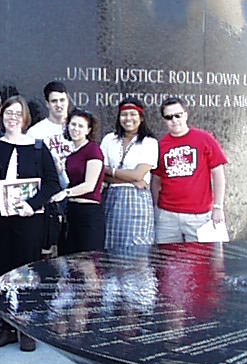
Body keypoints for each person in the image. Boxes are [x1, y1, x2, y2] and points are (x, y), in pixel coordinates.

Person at [0, 96, 60, 351]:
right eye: (8, 113)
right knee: (2, 272)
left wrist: (32, 203)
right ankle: (6, 327)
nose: (13, 118)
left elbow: (52, 183)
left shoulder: (38, 148)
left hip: (30, 220)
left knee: (27, 273)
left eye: (18, 113)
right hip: (1, 221)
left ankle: (27, 328)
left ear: (25, 118)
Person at [151, 97, 228, 243]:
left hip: (199, 216)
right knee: (166, 257)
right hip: (167, 217)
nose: (174, 120)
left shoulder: (204, 139)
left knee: (200, 257)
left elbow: (218, 174)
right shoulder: (160, 146)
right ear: (164, 120)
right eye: (169, 117)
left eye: (178, 115)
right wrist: (155, 208)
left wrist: (218, 207)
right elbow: (156, 180)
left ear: (185, 115)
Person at [100, 98, 158, 248]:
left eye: (133, 114)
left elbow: (138, 175)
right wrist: (131, 179)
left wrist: (112, 171)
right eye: (124, 114)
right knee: (111, 245)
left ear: (141, 118)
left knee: (137, 247)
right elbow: (101, 173)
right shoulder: (109, 139)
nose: (128, 118)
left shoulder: (149, 142)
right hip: (112, 197)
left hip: (137, 199)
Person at [27, 81, 74, 255]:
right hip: (50, 199)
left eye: (62, 100)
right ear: (47, 103)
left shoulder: (78, 126)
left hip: (75, 195)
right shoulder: (36, 132)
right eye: (54, 101)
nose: (59, 105)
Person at [52, 109, 105, 253]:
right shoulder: (71, 155)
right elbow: (70, 183)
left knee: (88, 260)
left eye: (81, 126)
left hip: (89, 213)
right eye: (73, 124)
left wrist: (66, 193)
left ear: (88, 130)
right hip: (72, 211)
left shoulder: (93, 150)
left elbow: (89, 185)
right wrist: (59, 171)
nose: (76, 129)